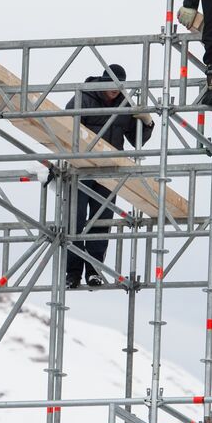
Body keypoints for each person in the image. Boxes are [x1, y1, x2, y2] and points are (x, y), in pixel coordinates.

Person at [63, 64, 156, 288]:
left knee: (101, 220)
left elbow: (137, 140)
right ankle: (73, 273)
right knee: (74, 221)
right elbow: (65, 127)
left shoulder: (125, 103)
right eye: (112, 85)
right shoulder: (83, 97)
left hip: (108, 171)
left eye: (119, 87)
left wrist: (147, 122)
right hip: (80, 169)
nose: (115, 90)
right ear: (103, 81)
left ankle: (94, 270)